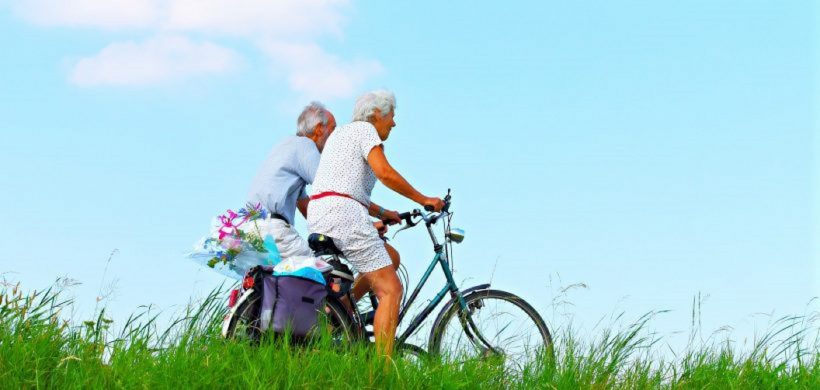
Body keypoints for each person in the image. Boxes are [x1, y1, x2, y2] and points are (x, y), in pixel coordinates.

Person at [307, 90, 444, 356]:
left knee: (390, 257)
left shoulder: (341, 135)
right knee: (391, 289)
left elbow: (343, 185)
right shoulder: (365, 130)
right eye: (392, 116)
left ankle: (341, 313)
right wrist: (424, 199)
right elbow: (385, 173)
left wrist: (382, 213)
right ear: (377, 114)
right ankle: (381, 374)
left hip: (322, 213)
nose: (393, 123)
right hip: (343, 214)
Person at [246, 102, 336, 258]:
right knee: (321, 273)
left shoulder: (286, 146)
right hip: (273, 230)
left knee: (276, 280)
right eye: (333, 129)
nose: (335, 136)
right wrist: (364, 225)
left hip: (252, 230)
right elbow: (332, 188)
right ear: (319, 128)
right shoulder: (305, 145)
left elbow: (306, 206)